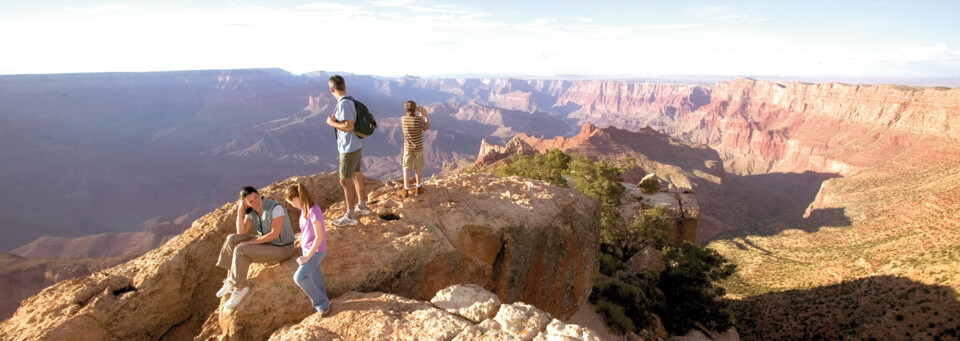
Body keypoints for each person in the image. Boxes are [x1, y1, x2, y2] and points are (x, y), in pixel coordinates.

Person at [215, 186, 297, 309]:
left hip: (283, 248)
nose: (256, 202)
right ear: (246, 204)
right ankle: (230, 280)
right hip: (267, 244)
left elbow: (274, 234)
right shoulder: (252, 211)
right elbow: (241, 232)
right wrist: (240, 211)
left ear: (259, 195)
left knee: (241, 250)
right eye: (251, 201)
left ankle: (240, 289)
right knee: (231, 239)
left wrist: (249, 243)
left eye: (256, 197)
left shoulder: (275, 208)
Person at [325, 75, 370, 226]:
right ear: (344, 86)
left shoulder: (344, 104)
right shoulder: (349, 99)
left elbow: (349, 126)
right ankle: (362, 206)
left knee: (345, 180)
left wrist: (332, 123)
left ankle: (350, 215)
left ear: (332, 89)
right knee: (357, 174)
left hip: (348, 148)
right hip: (356, 144)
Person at [284, 183, 331, 316]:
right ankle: (324, 304)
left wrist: (307, 256)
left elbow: (319, 237)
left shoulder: (313, 211)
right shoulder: (304, 210)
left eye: (290, 202)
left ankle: (322, 304)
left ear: (295, 199)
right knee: (316, 279)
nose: (292, 205)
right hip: (308, 250)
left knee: (299, 277)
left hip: (316, 252)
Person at [400, 100, 430, 197]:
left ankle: (406, 189)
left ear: (406, 109)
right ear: (414, 109)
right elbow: (427, 127)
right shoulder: (419, 120)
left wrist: (414, 109)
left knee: (406, 168)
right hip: (418, 148)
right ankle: (418, 187)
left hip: (407, 148)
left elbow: (409, 113)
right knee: (418, 169)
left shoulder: (403, 119)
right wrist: (425, 115)